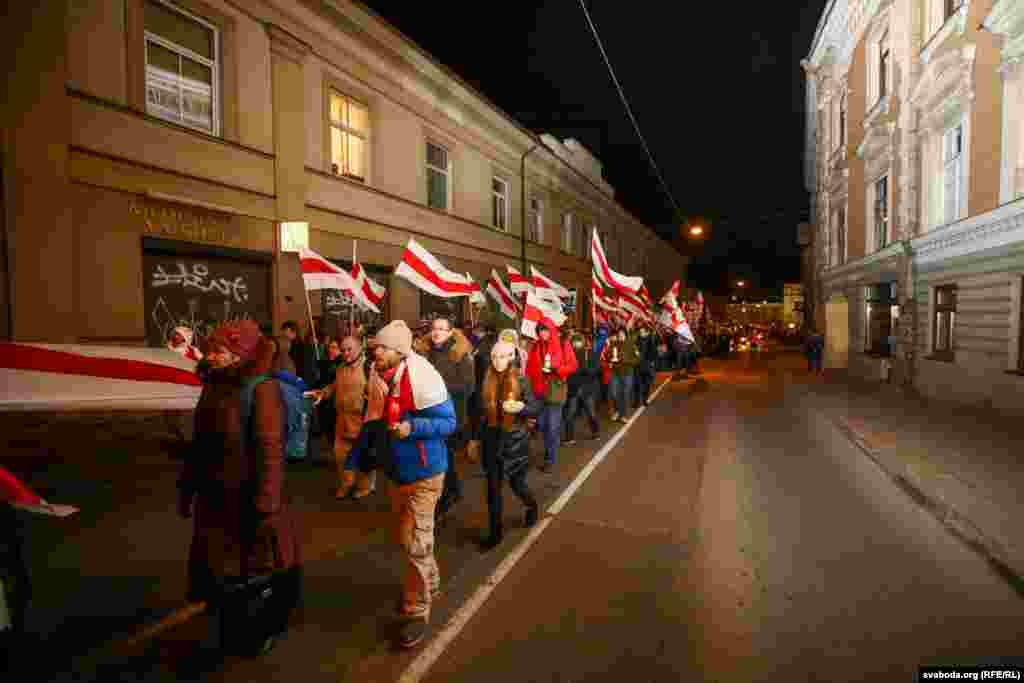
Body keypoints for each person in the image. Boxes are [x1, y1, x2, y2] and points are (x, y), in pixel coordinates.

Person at [178, 320, 302, 656]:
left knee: (260, 569)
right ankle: (233, 625)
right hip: (216, 498)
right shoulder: (214, 385)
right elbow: (199, 445)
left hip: (249, 498)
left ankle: (263, 628)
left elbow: (270, 449)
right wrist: (187, 488)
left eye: (219, 350)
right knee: (225, 571)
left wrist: (267, 503)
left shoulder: (261, 389)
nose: (212, 355)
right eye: (212, 349)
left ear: (240, 354)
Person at [368, 320, 455, 649]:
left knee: (418, 541)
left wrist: (412, 427)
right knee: (407, 539)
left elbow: (449, 422)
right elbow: (376, 416)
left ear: (399, 352)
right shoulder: (380, 374)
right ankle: (430, 583)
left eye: (383, 347)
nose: (376, 352)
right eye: (375, 347)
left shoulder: (423, 378)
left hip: (426, 473)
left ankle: (417, 610)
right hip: (399, 473)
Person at [477, 340, 541, 551]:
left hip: (514, 442)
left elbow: (534, 407)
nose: (497, 361)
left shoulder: (521, 379)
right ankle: (496, 533)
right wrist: (475, 438)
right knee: (493, 488)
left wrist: (520, 407)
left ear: (511, 357)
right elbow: (479, 411)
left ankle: (532, 506)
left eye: (502, 356)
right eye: (494, 357)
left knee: (517, 485)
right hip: (492, 440)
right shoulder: (486, 378)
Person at [414, 317, 474, 527]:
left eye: (442, 329)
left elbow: (468, 387)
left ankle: (446, 497)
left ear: (450, 332)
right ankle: (452, 491)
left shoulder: (460, 354)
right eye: (434, 329)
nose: (437, 332)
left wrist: (439, 385)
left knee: (442, 457)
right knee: (438, 456)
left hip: (450, 415)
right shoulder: (423, 353)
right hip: (427, 413)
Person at [313, 336, 373, 499]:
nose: (346, 353)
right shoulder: (340, 368)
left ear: (359, 348)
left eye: (349, 349)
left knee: (363, 457)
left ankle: (365, 485)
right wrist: (323, 393)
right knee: (340, 456)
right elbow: (334, 386)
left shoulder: (370, 368)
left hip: (362, 420)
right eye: (343, 349)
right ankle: (347, 484)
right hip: (341, 419)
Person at [525, 323, 575, 473]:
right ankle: (548, 450)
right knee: (543, 426)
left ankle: (550, 458)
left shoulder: (562, 343)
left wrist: (558, 369)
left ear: (551, 330)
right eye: (540, 331)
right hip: (539, 392)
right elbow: (529, 369)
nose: (542, 334)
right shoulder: (535, 346)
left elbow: (573, 365)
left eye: (545, 331)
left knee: (553, 427)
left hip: (554, 392)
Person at [563, 330, 600, 445]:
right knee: (570, 414)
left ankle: (595, 432)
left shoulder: (589, 353)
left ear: (583, 342)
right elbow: (566, 370)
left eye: (579, 342)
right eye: (574, 342)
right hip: (573, 388)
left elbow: (595, 369)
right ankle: (569, 437)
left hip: (586, 388)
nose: (577, 344)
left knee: (591, 412)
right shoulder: (568, 354)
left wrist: (585, 370)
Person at [635, 324, 658, 407]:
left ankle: (645, 399)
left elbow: (654, 352)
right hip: (638, 365)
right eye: (640, 332)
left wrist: (652, 362)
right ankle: (637, 401)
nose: (640, 333)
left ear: (647, 332)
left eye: (642, 332)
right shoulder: (637, 340)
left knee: (646, 384)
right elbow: (634, 349)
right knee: (637, 384)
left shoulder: (651, 340)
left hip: (647, 365)